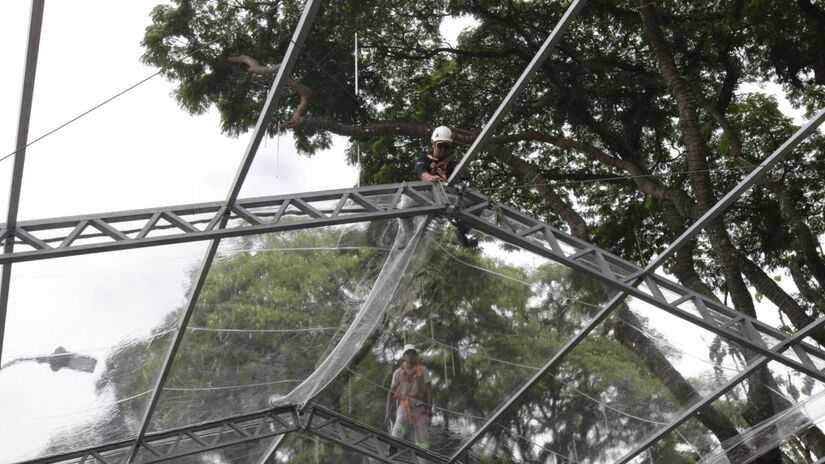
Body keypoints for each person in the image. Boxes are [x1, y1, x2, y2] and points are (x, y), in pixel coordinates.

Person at [414, 126, 476, 247]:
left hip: (447, 198)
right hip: (427, 196)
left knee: (476, 204)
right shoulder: (424, 158)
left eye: (446, 146)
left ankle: (459, 233)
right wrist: (431, 178)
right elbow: (420, 172)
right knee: (405, 203)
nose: (443, 149)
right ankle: (409, 231)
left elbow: (466, 176)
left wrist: (464, 172)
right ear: (433, 144)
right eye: (440, 145)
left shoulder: (451, 164)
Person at [385, 344, 433, 455]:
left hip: (420, 407)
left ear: (416, 355)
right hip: (404, 404)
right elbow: (391, 393)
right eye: (408, 353)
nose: (410, 355)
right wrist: (387, 412)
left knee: (423, 436)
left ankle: (423, 460)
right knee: (400, 422)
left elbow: (430, 390)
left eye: (413, 353)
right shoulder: (398, 373)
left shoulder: (423, 371)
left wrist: (430, 408)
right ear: (404, 356)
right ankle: (394, 445)